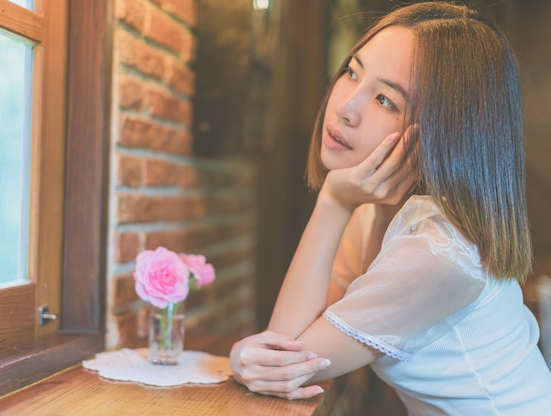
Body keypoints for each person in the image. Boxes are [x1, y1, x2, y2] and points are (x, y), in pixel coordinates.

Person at [229, 1, 551, 414]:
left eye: (385, 100)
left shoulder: (441, 252)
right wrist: (338, 204)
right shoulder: (371, 214)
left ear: (442, 132)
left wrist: (332, 201)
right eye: (351, 72)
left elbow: (287, 366)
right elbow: (288, 347)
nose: (344, 107)